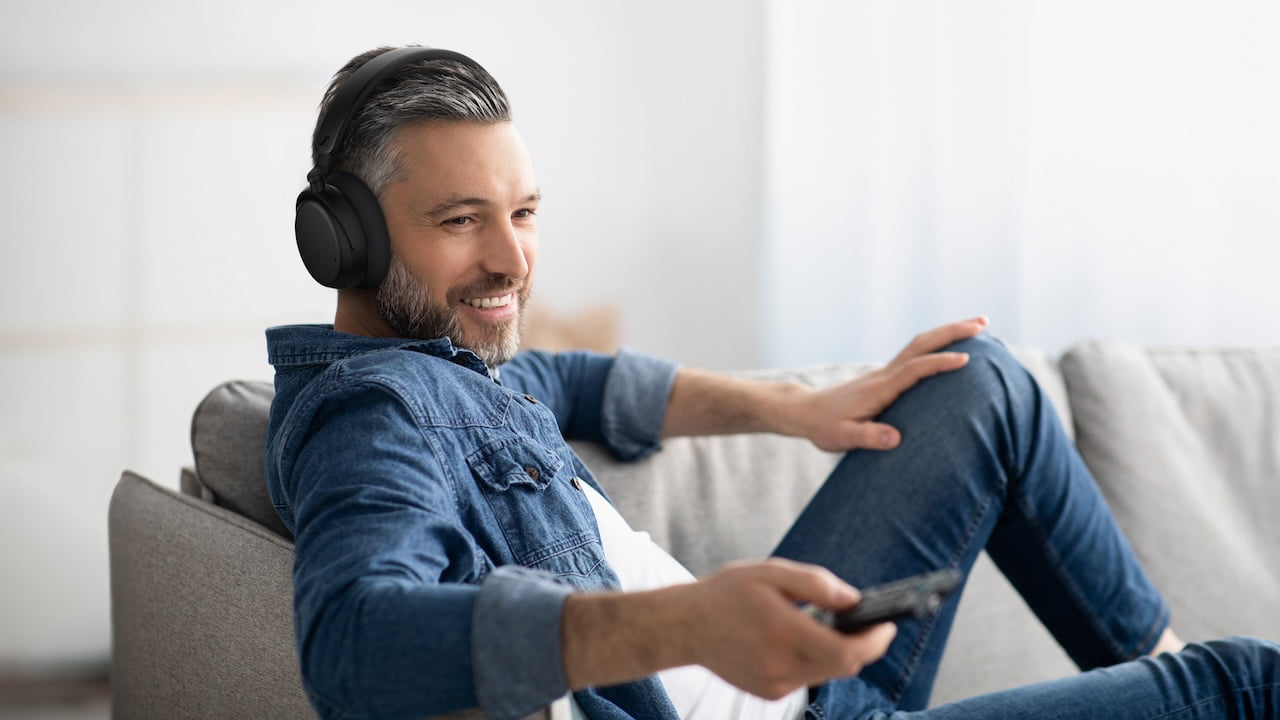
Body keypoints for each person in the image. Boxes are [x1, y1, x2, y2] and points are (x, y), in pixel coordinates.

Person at [265, 46, 1280, 720]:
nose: (512, 260)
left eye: (523, 213)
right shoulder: (373, 415)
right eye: (461, 221)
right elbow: (350, 643)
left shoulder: (455, 371)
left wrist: (790, 410)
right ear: (340, 237)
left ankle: (1161, 667)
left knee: (977, 381)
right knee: (1243, 682)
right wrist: (687, 624)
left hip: (804, 681)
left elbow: (575, 382)